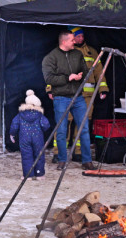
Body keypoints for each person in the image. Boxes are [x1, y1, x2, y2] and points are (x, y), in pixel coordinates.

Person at [42, 31, 98, 171]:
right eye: (72, 40)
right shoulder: (50, 58)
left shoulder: (78, 54)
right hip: (61, 98)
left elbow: (86, 71)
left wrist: (81, 75)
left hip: (78, 97)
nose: (75, 42)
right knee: (61, 131)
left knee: (84, 129)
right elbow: (49, 79)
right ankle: (62, 160)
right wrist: (69, 78)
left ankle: (87, 161)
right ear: (64, 42)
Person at [69, 27, 108, 158]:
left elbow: (99, 72)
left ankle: (78, 152)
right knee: (65, 122)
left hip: (87, 95)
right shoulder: (66, 51)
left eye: (82, 36)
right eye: (78, 36)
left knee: (84, 122)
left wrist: (103, 89)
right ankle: (60, 153)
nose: (81, 38)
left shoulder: (92, 52)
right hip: (69, 93)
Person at [9, 90, 50, 179]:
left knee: (26, 156)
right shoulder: (39, 115)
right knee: (39, 155)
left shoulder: (20, 115)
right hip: (38, 138)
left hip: (24, 138)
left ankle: (28, 175)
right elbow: (46, 125)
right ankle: (39, 174)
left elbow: (14, 125)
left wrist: (12, 134)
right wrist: (44, 130)